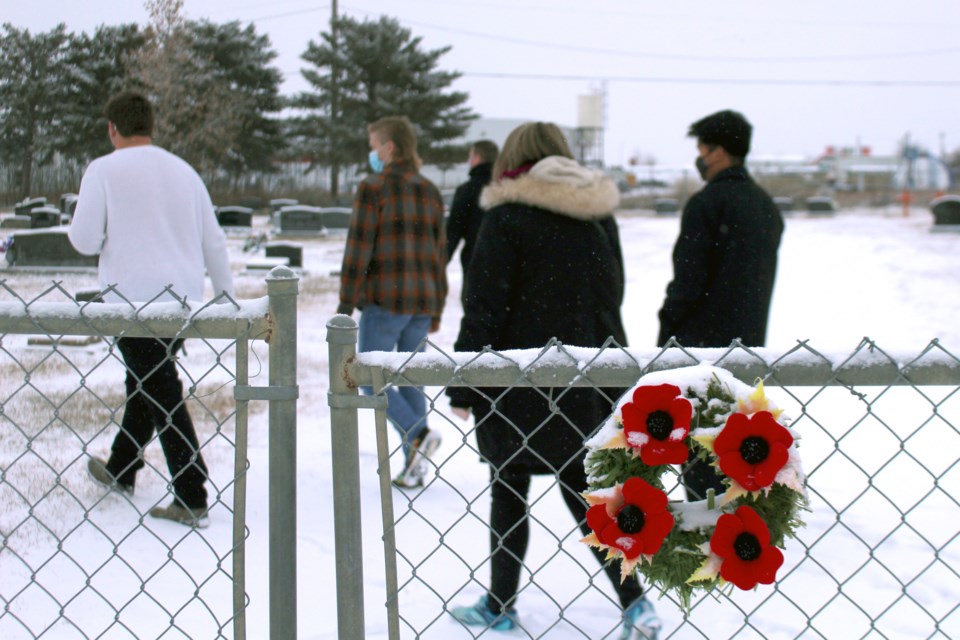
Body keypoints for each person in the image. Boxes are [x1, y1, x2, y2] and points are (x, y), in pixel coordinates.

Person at [446, 122, 661, 639]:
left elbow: (484, 307)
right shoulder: (597, 216)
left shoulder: (506, 217)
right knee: (586, 494)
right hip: (586, 378)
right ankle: (636, 603)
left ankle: (500, 603)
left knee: (507, 488)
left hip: (514, 382)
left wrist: (464, 383)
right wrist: (613, 378)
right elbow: (612, 297)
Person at [68, 91, 235, 528]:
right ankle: (122, 466)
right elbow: (213, 240)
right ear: (151, 126)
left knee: (158, 387)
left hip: (129, 300)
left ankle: (191, 490)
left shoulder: (102, 169)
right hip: (179, 300)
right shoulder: (183, 171)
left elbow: (84, 240)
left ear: (112, 128)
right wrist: (225, 299)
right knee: (146, 381)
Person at [657, 109, 784, 501]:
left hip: (700, 358)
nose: (699, 157)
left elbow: (688, 282)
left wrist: (667, 329)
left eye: (702, 149)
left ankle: (707, 553)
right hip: (748, 355)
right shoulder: (765, 206)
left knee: (701, 473)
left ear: (717, 152)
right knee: (740, 469)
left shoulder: (707, 204)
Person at [337, 115, 448, 489]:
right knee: (412, 380)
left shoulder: (374, 187)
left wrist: (345, 305)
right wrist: (437, 305)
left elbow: (359, 249)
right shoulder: (429, 190)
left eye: (373, 146)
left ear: (389, 148)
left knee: (371, 377)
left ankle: (416, 436)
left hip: (385, 300)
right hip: (421, 299)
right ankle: (413, 463)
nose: (371, 154)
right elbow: (438, 252)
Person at [446, 139, 498, 282]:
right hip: (504, 263)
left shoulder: (467, 191)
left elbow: (453, 232)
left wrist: (440, 262)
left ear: (476, 157)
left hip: (474, 261)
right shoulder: (505, 188)